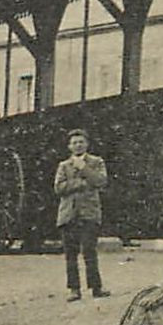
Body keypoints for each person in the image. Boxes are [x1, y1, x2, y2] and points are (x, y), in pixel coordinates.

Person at [55, 128, 110, 301]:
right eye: (74, 143)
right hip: (69, 214)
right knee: (70, 255)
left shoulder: (97, 162)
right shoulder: (63, 166)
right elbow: (58, 188)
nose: (78, 145)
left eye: (81, 142)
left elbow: (101, 181)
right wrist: (82, 182)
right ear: (69, 146)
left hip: (89, 213)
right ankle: (74, 290)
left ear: (87, 144)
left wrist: (84, 168)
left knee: (89, 252)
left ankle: (96, 288)